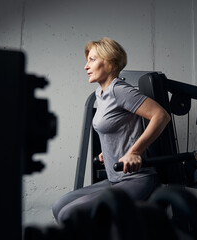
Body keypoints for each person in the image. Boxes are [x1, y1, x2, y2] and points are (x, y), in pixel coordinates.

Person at [52, 37, 171, 224]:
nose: (86, 66)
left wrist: (135, 152)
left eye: (92, 60)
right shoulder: (101, 93)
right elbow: (119, 126)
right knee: (59, 206)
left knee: (70, 215)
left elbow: (161, 115)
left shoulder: (120, 90)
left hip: (137, 179)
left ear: (109, 62)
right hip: (115, 179)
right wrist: (108, 151)